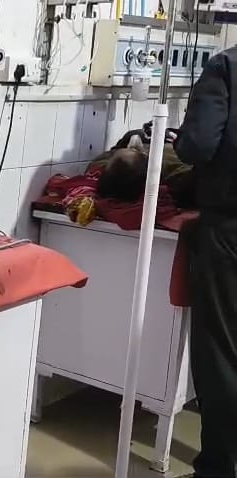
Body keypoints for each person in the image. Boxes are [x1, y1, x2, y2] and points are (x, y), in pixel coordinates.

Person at [174, 46, 237, 478]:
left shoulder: (226, 66)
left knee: (221, 353)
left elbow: (196, 145)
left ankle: (217, 469)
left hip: (229, 230)